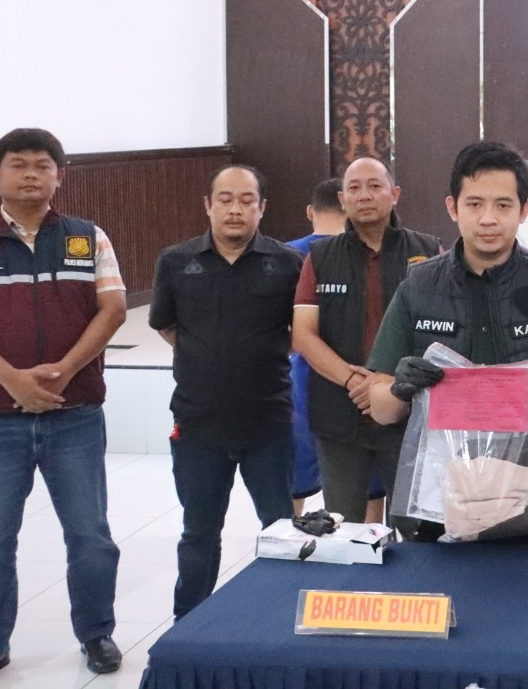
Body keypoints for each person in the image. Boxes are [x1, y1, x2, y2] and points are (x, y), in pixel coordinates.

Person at [365, 140, 528, 543]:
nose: (488, 219)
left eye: (503, 205)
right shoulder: (417, 288)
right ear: (453, 207)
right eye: (474, 204)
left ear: (524, 210)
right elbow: (381, 408)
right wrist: (399, 387)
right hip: (444, 504)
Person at [0, 129, 126, 685]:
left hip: (74, 415)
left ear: (59, 175)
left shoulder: (88, 237)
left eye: (42, 165)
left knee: (90, 537)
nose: (30, 173)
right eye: (18, 164)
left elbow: (113, 309)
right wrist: (14, 381)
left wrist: (66, 370)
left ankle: (97, 634)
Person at [150, 165, 304, 619]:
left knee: (280, 530)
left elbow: (300, 332)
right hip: (198, 425)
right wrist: (207, 354)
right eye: (225, 199)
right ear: (208, 205)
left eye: (246, 200)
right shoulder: (175, 261)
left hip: (268, 423)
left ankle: (282, 621)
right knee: (198, 534)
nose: (235, 209)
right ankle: (188, 625)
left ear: (262, 208)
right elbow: (165, 325)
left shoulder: (288, 264)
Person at [291, 159, 440, 526]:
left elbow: (442, 331)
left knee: (417, 526)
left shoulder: (428, 252)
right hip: (338, 414)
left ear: (395, 194)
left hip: (410, 412)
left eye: (374, 185)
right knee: (344, 526)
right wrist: (354, 380)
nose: (364, 195)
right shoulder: (320, 258)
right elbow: (303, 334)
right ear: (343, 199)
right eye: (354, 188)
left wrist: (387, 383)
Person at [285, 177, 344, 517]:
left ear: (310, 212)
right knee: (366, 488)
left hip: (299, 376)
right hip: (356, 377)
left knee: (295, 478)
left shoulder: (284, 253)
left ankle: (288, 535)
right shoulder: (367, 253)